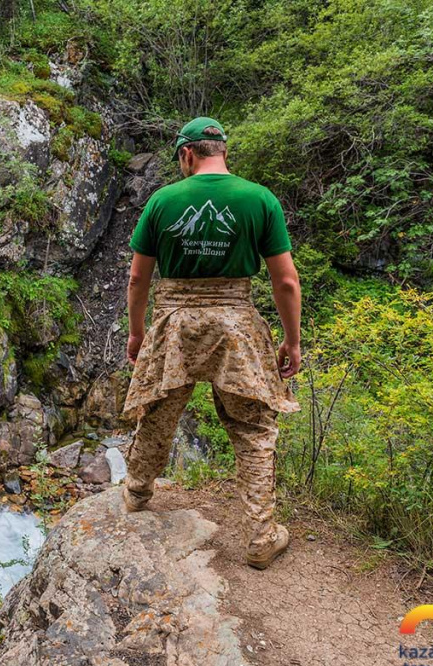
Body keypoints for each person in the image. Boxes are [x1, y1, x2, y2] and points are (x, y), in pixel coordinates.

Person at [122, 116, 302, 570]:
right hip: (236, 323)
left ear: (187, 154)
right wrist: (291, 340)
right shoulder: (259, 199)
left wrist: (138, 333)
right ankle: (262, 534)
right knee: (253, 428)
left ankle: (137, 494)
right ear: (222, 150)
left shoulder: (163, 201)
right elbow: (285, 283)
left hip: (174, 322)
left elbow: (138, 277)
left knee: (158, 410)